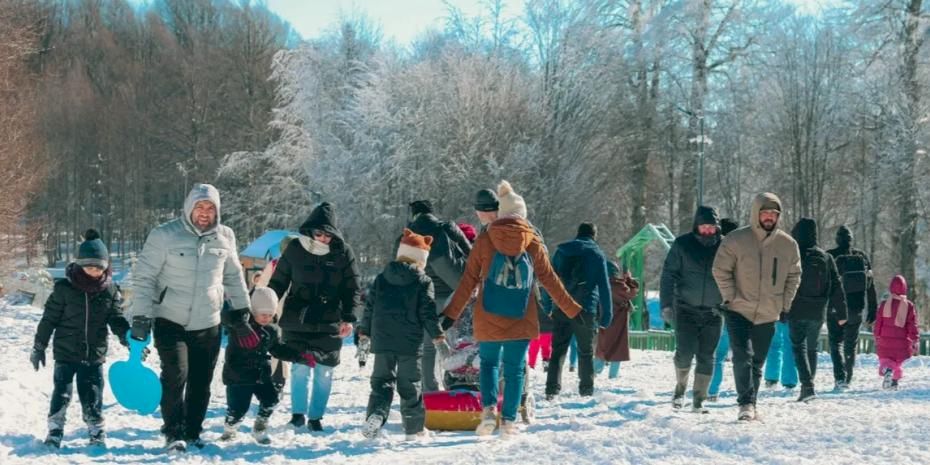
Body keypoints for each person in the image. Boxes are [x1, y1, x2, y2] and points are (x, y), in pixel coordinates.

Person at [442, 180, 581, 437]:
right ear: (522, 214)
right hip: (521, 315)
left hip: (488, 314)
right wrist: (573, 310)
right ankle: (508, 422)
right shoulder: (532, 240)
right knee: (516, 368)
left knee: (489, 364)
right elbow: (550, 279)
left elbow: (467, 282)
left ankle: (487, 412)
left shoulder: (484, 240)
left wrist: (450, 315)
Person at [129, 184, 252, 452]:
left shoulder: (225, 236)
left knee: (201, 380)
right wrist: (140, 316)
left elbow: (233, 275)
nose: (204, 213)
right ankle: (173, 432)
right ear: (189, 208)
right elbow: (145, 277)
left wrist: (242, 311)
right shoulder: (164, 235)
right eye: (199, 207)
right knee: (175, 374)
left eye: (210, 208)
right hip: (170, 318)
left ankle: (193, 431)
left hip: (208, 321)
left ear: (217, 211)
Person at [268, 202, 363, 433]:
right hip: (297, 319)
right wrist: (267, 305)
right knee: (300, 368)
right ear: (310, 231)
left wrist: (349, 318)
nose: (323, 239)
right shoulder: (294, 249)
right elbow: (278, 281)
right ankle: (298, 415)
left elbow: (353, 288)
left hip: (330, 319)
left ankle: (316, 417)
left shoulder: (343, 252)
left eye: (328, 235)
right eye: (319, 233)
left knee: (325, 369)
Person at [31, 230, 130, 449]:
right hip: (66, 351)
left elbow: (116, 317)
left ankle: (95, 430)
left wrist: (127, 337)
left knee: (93, 393)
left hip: (94, 354)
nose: (94, 272)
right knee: (62, 392)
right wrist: (39, 345)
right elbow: (49, 319)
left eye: (98, 267)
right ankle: (55, 429)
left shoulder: (110, 290)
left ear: (105, 266)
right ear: (79, 265)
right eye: (89, 267)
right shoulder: (64, 288)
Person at [712, 193, 801, 421]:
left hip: (768, 312)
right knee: (742, 356)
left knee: (757, 362)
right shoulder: (735, 239)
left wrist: (785, 303)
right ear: (756, 213)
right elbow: (720, 269)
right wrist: (730, 297)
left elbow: (794, 275)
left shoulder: (788, 245)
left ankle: (751, 402)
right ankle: (746, 405)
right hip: (737, 309)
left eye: (774, 213)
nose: (769, 217)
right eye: (765, 212)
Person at [359, 229, 445, 440]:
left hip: (383, 340)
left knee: (381, 382)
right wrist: (438, 336)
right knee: (410, 384)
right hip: (409, 343)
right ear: (422, 259)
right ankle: (414, 429)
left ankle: (377, 415)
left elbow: (369, 307)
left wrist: (364, 333)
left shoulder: (381, 278)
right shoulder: (423, 281)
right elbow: (427, 313)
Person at [220, 288, 311, 444]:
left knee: (271, 400)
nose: (266, 318)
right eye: (263, 314)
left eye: (270, 315)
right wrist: (238, 316)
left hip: (261, 374)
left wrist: (298, 356)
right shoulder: (239, 325)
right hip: (238, 375)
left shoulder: (271, 330)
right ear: (253, 310)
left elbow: (277, 349)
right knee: (239, 409)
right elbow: (225, 315)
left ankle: (260, 428)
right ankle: (230, 428)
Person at [660, 206, 725, 413]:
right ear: (696, 226)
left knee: (707, 356)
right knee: (684, 353)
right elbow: (668, 274)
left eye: (711, 227)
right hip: (686, 308)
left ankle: (699, 400)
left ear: (717, 228)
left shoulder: (725, 247)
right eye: (704, 227)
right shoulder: (682, 245)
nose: (708, 231)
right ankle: (680, 389)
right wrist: (666, 305)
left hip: (714, 312)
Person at [406, 199, 472, 391]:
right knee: (456, 340)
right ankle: (459, 379)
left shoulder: (408, 235)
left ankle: (429, 389)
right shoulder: (446, 227)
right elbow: (470, 251)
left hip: (423, 296)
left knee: (428, 346)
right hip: (451, 294)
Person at [544, 222, 613, 399]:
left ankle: (552, 389)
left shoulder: (561, 251)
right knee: (586, 351)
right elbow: (604, 287)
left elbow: (549, 280)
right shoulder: (597, 254)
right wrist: (607, 315)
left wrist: (547, 305)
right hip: (586, 308)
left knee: (558, 350)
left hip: (562, 306)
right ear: (594, 235)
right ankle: (586, 389)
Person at [786, 218, 847, 402]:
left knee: (798, 347)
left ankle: (807, 386)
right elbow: (836, 286)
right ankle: (809, 383)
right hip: (818, 310)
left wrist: (779, 308)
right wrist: (842, 313)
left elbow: (781, 282)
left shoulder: (793, 255)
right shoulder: (826, 257)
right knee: (811, 348)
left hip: (796, 308)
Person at [826, 225, 878, 389]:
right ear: (851, 239)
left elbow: (823, 283)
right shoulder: (861, 256)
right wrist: (872, 308)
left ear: (837, 239)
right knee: (850, 344)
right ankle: (848, 377)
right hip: (856, 308)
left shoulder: (830, 255)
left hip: (835, 308)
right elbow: (870, 285)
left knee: (835, 343)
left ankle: (840, 378)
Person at [707, 218, 739, 401]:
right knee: (742, 354)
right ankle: (746, 389)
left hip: (716, 306)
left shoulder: (714, 251)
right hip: (737, 307)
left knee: (716, 354)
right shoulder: (742, 252)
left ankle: (712, 390)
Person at [594, 262, 639, 379]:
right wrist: (628, 278)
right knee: (618, 349)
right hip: (619, 323)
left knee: (602, 347)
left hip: (604, 321)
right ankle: (613, 377)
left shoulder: (600, 285)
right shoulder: (620, 286)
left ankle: (593, 372)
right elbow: (633, 291)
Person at [873, 275, 919, 390]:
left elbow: (878, 322)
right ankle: (894, 382)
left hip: (885, 340)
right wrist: (914, 339)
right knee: (897, 363)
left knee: (885, 361)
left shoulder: (884, 304)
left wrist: (877, 335)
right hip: (901, 342)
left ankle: (888, 371)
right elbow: (912, 324)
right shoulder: (908, 305)